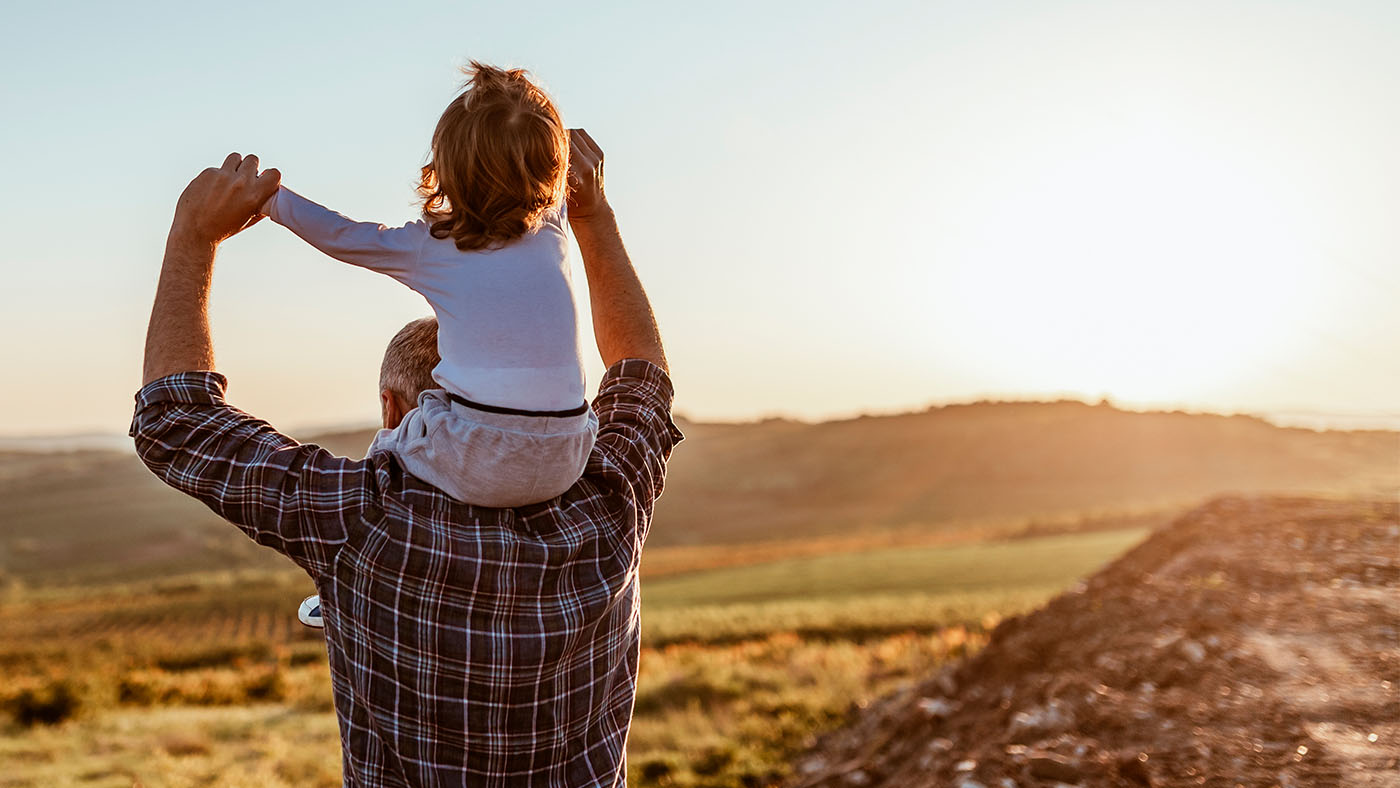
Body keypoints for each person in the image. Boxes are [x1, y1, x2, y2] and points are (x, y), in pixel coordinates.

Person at [130, 131, 682, 787]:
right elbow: (640, 376)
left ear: (394, 409)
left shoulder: (363, 519)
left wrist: (194, 235)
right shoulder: (610, 497)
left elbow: (176, 420)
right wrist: (593, 217)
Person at [261, 62, 594, 510]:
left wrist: (269, 199)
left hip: (481, 460)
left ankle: (386, 511)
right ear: (552, 167)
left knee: (398, 440)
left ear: (446, 169)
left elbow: (342, 235)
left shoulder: (436, 246)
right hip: (569, 455)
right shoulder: (553, 230)